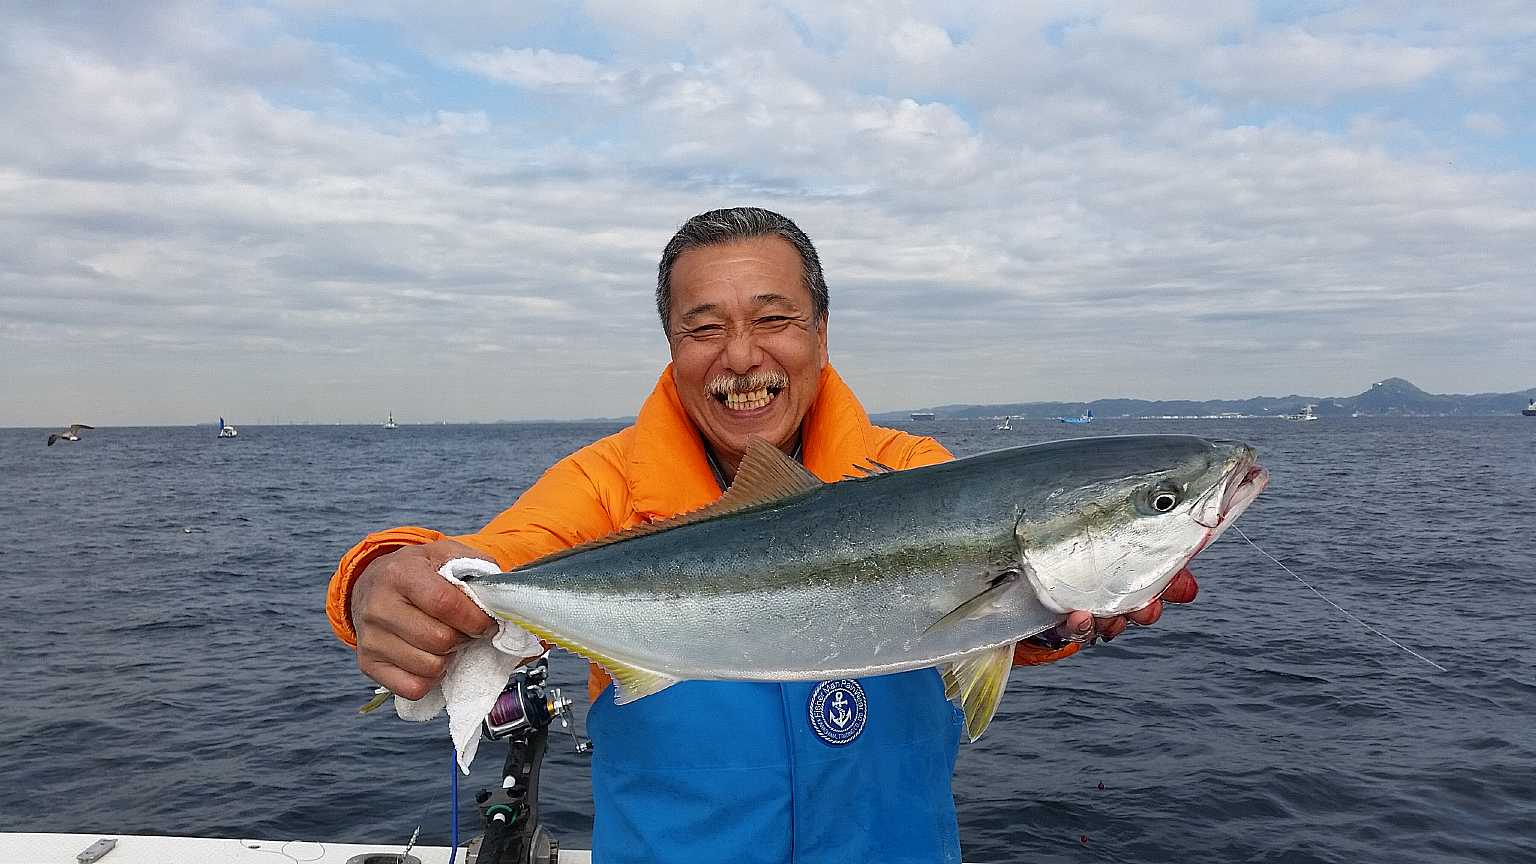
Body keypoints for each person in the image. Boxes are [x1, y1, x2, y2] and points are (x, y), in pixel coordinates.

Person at [325, 206, 1198, 864]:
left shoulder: (911, 473)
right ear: (672, 347)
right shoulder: (609, 482)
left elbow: (984, 611)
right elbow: (493, 559)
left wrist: (1051, 625)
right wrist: (379, 579)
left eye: (773, 319)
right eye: (704, 328)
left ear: (820, 331)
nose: (741, 356)